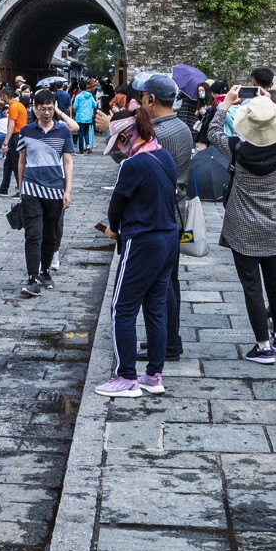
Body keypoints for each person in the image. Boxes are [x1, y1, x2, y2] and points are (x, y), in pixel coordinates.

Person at [95, 109, 181, 398]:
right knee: (155, 307)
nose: (119, 149)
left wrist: (113, 230)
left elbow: (116, 207)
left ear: (125, 136)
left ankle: (126, 377)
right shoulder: (164, 155)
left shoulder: (132, 165)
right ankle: (154, 374)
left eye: (119, 142)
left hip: (142, 240)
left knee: (122, 307)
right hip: (168, 238)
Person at [221, 94, 276, 363]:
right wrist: (271, 104)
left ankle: (263, 345)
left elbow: (214, 131)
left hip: (243, 226)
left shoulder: (235, 148)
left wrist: (225, 105)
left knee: (252, 286)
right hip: (274, 224)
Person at [130, 74, 194, 361]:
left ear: (151, 99)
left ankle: (166, 345)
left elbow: (132, 163)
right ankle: (169, 338)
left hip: (158, 214)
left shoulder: (159, 134)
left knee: (159, 284)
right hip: (175, 210)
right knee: (170, 281)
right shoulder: (182, 127)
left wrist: (112, 132)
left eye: (143, 98)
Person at [15, 89, 74, 297]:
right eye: (43, 109)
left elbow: (67, 162)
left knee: (51, 234)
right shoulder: (26, 131)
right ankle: (32, 278)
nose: (47, 113)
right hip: (32, 188)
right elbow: (21, 161)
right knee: (33, 234)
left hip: (55, 189)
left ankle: (45, 271)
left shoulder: (63, 131)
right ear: (35, 109)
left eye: (50, 109)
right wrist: (21, 187)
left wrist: (68, 190)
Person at [0, 87, 30, 195]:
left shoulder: (13, 106)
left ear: (5, 96)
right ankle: (4, 187)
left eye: (2, 97)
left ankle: (21, 189)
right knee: (8, 163)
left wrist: (5, 142)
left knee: (16, 163)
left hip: (16, 135)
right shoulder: (18, 105)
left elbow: (11, 125)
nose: (1, 99)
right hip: (18, 134)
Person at [72, 84, 98, 154]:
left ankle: (81, 151)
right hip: (88, 117)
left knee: (80, 133)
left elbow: (75, 106)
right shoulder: (90, 96)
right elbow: (95, 105)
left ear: (79, 88)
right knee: (86, 133)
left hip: (80, 117)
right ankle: (88, 146)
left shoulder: (78, 96)